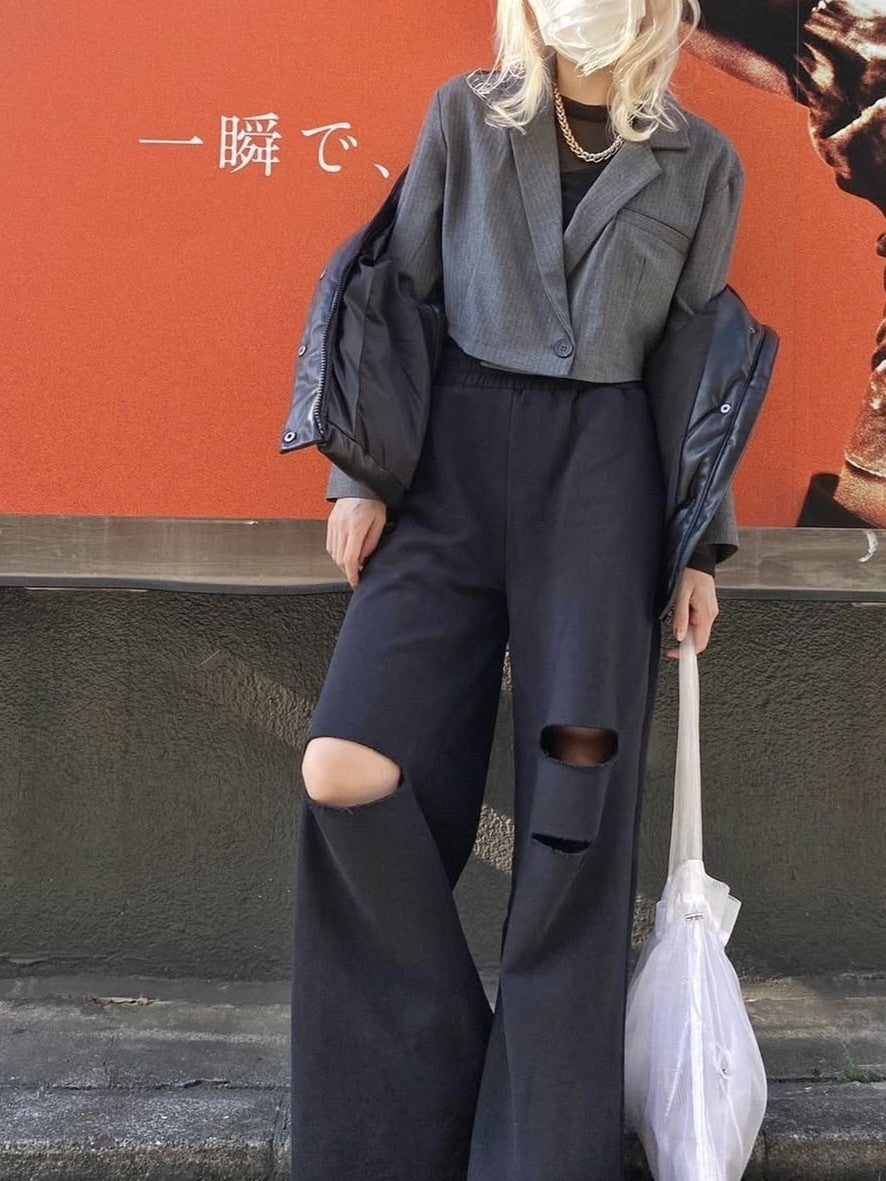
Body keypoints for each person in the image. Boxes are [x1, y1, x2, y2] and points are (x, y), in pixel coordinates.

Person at [291, 0, 745, 1176]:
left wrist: (697, 549)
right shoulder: (465, 116)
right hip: (449, 473)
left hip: (602, 495)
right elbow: (400, 295)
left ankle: (539, 1142)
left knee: (572, 809)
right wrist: (359, 475)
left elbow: (693, 369)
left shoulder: (703, 161)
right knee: (343, 766)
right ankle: (428, 1083)